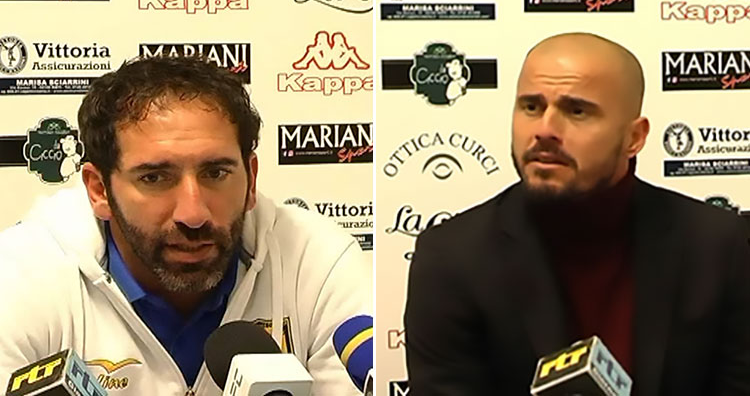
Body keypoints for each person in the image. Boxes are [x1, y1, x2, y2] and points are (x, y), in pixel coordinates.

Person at [0, 56, 371, 396]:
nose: (193, 214)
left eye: (216, 173)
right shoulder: (22, 276)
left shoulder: (315, 262)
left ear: (251, 180)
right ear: (99, 190)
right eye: (155, 178)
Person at [404, 33, 750, 395]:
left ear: (634, 137)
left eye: (577, 111)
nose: (545, 130)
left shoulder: (715, 243)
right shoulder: (452, 257)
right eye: (531, 107)